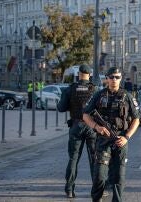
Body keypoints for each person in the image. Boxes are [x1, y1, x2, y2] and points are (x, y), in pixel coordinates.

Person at [83, 67, 140, 202]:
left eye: (117, 77)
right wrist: (97, 127)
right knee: (99, 177)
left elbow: (136, 119)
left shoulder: (128, 96)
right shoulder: (99, 95)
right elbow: (85, 115)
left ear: (121, 78)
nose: (114, 79)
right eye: (112, 77)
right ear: (106, 78)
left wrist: (126, 137)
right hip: (103, 140)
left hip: (120, 140)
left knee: (118, 178)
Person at [57, 64, 97, 198]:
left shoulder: (70, 89)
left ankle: (69, 189)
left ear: (78, 74)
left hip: (76, 126)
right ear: (89, 75)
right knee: (94, 159)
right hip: (92, 127)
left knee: (73, 159)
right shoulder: (95, 90)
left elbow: (61, 108)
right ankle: (96, 191)